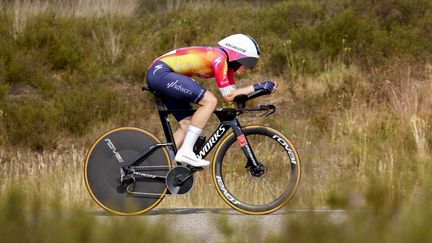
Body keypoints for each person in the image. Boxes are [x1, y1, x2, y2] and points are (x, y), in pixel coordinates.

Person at [146, 34, 277, 167]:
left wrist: (253, 96)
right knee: (210, 101)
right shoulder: (220, 58)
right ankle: (186, 151)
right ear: (237, 54)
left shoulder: (227, 67)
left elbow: (232, 97)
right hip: (161, 72)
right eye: (249, 62)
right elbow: (229, 96)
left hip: (161, 74)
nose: (249, 67)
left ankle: (159, 166)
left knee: (187, 125)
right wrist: (257, 86)